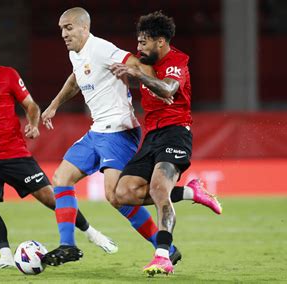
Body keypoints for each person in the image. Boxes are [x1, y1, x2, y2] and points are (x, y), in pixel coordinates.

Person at [41, 8, 221, 267]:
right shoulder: (75, 54)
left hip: (119, 131)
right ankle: (68, 246)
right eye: (61, 28)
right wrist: (55, 104)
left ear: (84, 27)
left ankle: (167, 247)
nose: (63, 33)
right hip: (98, 131)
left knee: (118, 197)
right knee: (61, 178)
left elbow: (135, 64)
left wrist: (155, 84)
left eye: (68, 27)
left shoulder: (102, 48)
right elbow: (76, 78)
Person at [0, 25, 117, 270]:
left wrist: (34, 124)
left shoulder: (7, 75)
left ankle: (91, 232)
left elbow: (31, 106)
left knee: (51, 197)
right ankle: (5, 255)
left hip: (14, 153)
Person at [110, 11, 213, 276]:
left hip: (176, 133)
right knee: (122, 194)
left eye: (144, 42)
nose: (139, 47)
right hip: (151, 136)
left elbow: (168, 89)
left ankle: (163, 255)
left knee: (158, 188)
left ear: (160, 41)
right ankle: (190, 193)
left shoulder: (176, 61)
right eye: (138, 41)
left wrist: (138, 75)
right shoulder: (145, 63)